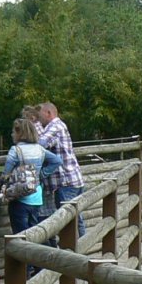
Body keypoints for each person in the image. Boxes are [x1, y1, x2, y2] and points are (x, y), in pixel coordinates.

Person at [3, 117, 61, 240]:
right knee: (33, 234)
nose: (12, 134)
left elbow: (6, 173)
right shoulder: (39, 149)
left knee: (20, 236)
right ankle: (34, 258)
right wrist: (41, 174)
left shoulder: (16, 150)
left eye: (14, 131)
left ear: (20, 133)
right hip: (36, 197)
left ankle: (25, 259)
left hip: (20, 197)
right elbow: (57, 161)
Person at [37, 101, 84, 236]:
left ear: (48, 113)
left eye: (40, 116)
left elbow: (40, 144)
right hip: (73, 179)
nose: (40, 120)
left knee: (67, 221)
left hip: (66, 182)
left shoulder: (55, 126)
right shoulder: (59, 126)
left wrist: (30, 133)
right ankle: (82, 250)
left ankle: (72, 253)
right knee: (76, 218)